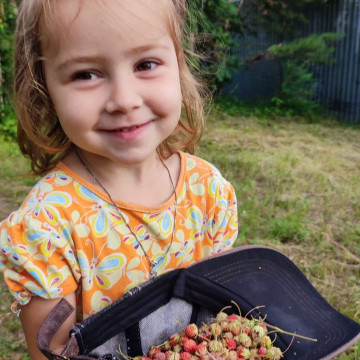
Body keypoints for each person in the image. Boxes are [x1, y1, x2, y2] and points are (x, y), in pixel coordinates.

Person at [0, 0, 238, 358]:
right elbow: (53, 352)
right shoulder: (47, 228)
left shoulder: (209, 192)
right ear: (44, 88)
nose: (124, 100)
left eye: (145, 64)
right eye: (86, 74)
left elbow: (225, 315)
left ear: (179, 63)